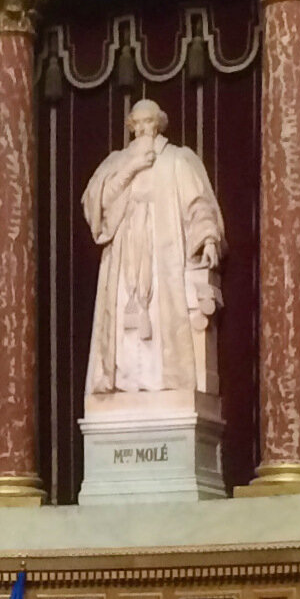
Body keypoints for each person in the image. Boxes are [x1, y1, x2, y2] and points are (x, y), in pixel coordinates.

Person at [79, 99, 224, 396]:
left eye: (149, 122)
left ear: (158, 125)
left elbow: (198, 204)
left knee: (161, 315)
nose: (144, 129)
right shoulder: (117, 161)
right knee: (123, 317)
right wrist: (131, 168)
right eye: (138, 123)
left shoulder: (176, 160)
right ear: (131, 127)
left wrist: (208, 239)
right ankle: (126, 380)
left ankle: (161, 379)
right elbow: (97, 202)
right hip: (124, 251)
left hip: (163, 251)